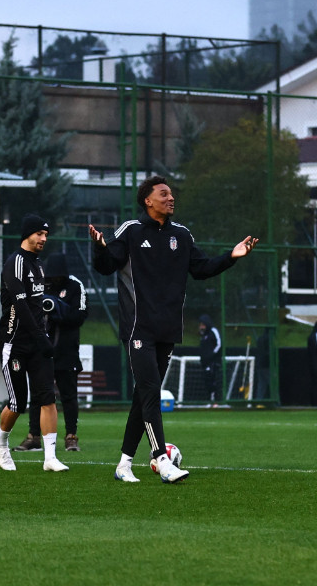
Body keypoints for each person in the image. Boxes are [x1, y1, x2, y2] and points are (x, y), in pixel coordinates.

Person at [89, 175, 258, 483]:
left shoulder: (181, 235)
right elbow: (105, 265)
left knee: (144, 397)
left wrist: (231, 257)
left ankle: (124, 465)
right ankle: (162, 460)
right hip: (139, 329)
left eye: (171, 194)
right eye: (163, 194)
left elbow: (202, 268)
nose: (170, 198)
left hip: (168, 330)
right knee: (151, 392)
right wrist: (100, 248)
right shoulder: (131, 231)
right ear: (147, 201)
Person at [0, 214, 69, 473]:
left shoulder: (38, 265)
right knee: (18, 403)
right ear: (27, 234)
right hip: (14, 342)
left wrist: (44, 334)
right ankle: (1, 443)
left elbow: (36, 305)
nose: (44, 239)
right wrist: (40, 337)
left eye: (46, 235)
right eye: (40, 234)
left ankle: (50, 458)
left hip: (38, 341)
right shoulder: (15, 263)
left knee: (48, 398)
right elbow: (21, 305)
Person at [13, 252, 87, 452]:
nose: (53, 280)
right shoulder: (39, 285)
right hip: (41, 350)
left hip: (66, 351)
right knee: (38, 395)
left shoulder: (75, 286)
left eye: (57, 277)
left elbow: (79, 316)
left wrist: (57, 310)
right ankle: (34, 436)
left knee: (69, 396)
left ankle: (71, 436)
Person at [197, 314, 223, 404]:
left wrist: (212, 355)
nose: (201, 327)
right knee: (207, 381)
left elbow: (219, 344)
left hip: (213, 362)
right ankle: (210, 400)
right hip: (205, 362)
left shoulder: (213, 331)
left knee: (213, 381)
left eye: (203, 325)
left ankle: (215, 401)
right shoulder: (204, 335)